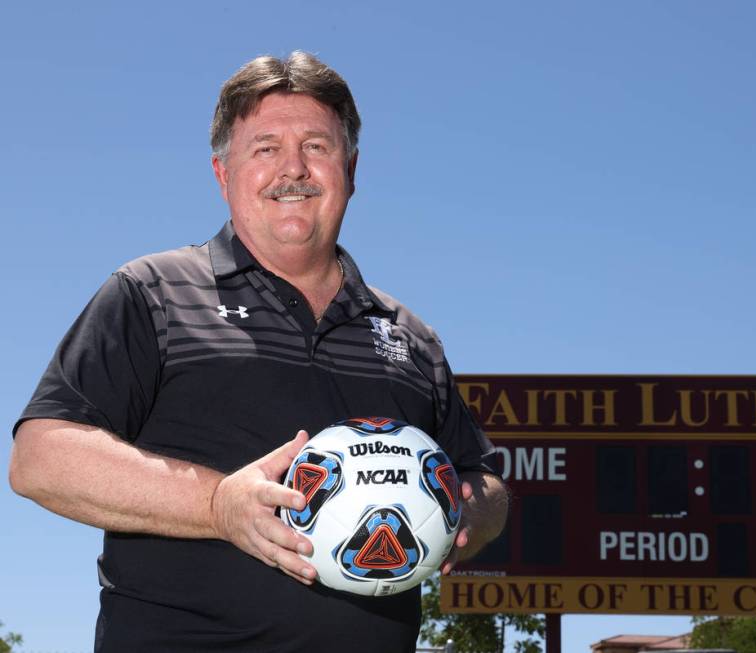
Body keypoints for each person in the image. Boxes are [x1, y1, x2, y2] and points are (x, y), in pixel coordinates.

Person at [8, 51, 508, 652]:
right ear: (223, 173)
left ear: (350, 168)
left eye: (317, 147)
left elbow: (483, 481)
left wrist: (461, 515)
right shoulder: (152, 292)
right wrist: (219, 505)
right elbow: (41, 459)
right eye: (265, 148)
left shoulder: (409, 334)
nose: (292, 168)